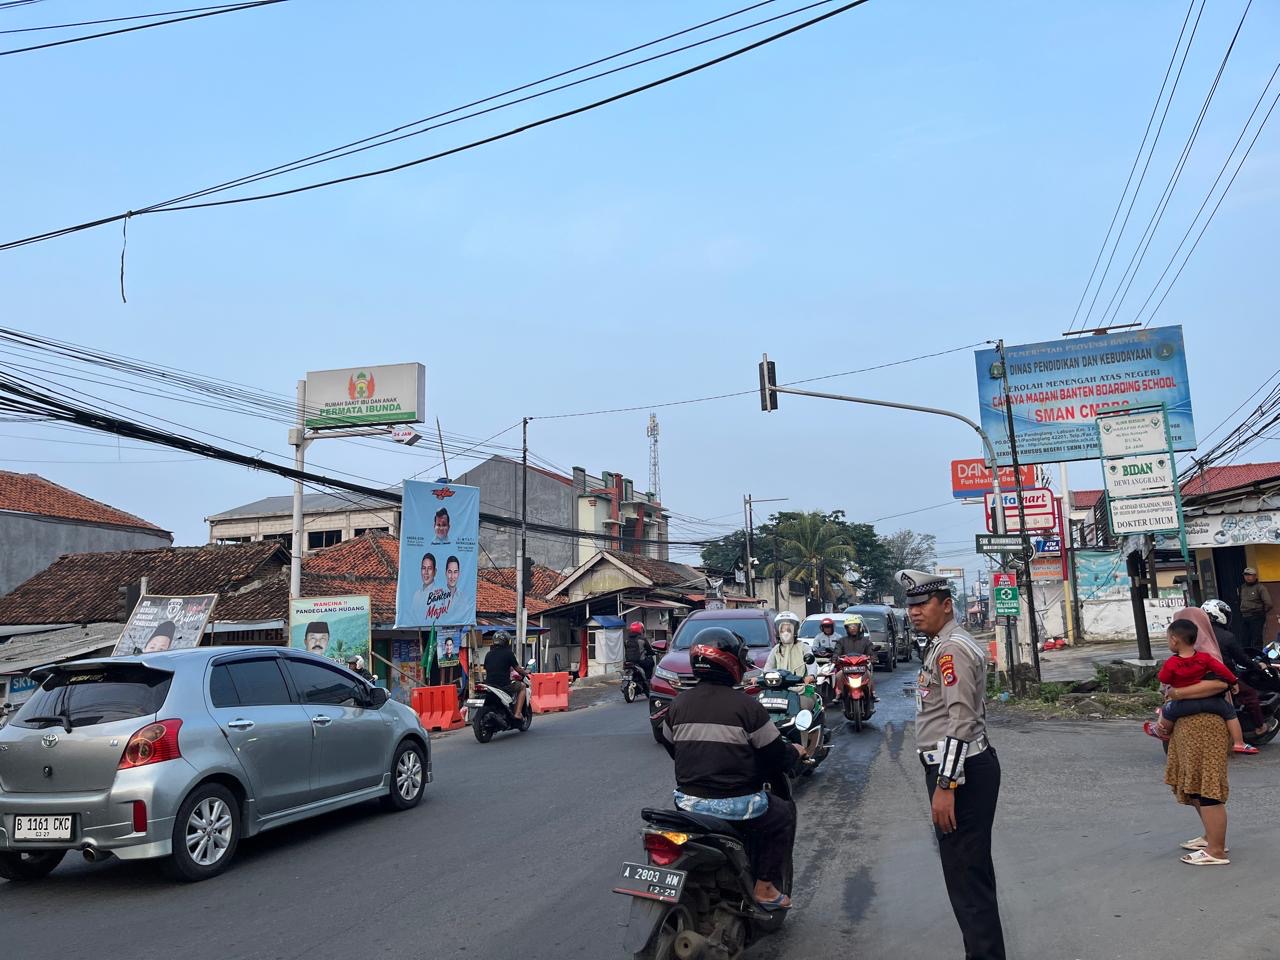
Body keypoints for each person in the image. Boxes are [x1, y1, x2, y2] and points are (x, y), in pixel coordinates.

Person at [899, 568, 1006, 960]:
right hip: (962, 769)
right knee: (969, 876)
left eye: (922, 603)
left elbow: (960, 720)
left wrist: (946, 785)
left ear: (946, 605)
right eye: (910, 605)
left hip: (962, 775)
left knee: (967, 881)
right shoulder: (942, 644)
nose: (914, 611)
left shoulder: (951, 650)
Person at [659, 626, 803, 910]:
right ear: (731, 662)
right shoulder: (748, 707)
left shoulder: (677, 705)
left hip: (687, 804)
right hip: (735, 805)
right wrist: (796, 752)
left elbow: (671, 746)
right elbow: (775, 755)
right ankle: (764, 887)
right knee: (782, 815)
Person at [1162, 609, 1233, 865]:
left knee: (1208, 789)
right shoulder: (1183, 657)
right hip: (1188, 729)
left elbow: (1220, 685)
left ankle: (1216, 850)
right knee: (1194, 787)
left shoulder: (1207, 656)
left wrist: (1178, 694)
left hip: (1205, 728)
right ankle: (1210, 837)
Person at [1143, 618, 1258, 754]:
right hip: (1211, 702)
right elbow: (1223, 670)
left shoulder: (1172, 662)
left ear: (1174, 640)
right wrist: (1233, 682)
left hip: (1184, 704)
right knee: (1230, 713)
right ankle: (1239, 743)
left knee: (1167, 711)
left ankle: (1162, 731)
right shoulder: (1205, 657)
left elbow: (1164, 678)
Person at [1203, 599, 1276, 740]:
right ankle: (1260, 727)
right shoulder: (1226, 636)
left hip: (1200, 676)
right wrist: (1257, 666)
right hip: (1223, 676)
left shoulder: (1196, 634)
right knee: (1250, 694)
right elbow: (1241, 659)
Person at [765, 612, 821, 757]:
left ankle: (804, 750)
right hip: (779, 691)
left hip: (802, 690)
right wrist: (758, 678)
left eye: (788, 629)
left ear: (795, 630)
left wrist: (811, 676)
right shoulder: (776, 649)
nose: (785, 633)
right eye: (782, 629)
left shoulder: (803, 647)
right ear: (778, 631)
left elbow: (812, 664)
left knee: (801, 711)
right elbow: (767, 669)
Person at [483, 631, 529, 720]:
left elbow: (488, 668)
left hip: (489, 685)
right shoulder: (508, 653)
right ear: (507, 641)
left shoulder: (488, 654)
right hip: (503, 685)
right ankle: (518, 713)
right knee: (523, 686)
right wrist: (525, 672)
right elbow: (518, 669)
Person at [837, 614, 877, 701]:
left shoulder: (866, 641)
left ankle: (872, 692)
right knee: (838, 675)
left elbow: (871, 651)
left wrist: (873, 657)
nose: (853, 628)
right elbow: (837, 652)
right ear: (847, 628)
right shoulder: (842, 641)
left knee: (869, 674)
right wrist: (834, 659)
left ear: (859, 627)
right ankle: (839, 693)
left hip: (861, 668)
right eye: (850, 626)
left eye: (855, 626)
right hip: (847, 668)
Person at [1237, 567, 1273, 649]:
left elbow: (1269, 604)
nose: (1248, 577)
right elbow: (1240, 601)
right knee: (1245, 640)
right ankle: (1246, 655)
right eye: (1246, 575)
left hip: (1256, 617)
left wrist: (1261, 613)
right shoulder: (1242, 587)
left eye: (1250, 575)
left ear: (1255, 576)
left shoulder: (1260, 588)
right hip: (1245, 616)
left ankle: (1257, 655)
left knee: (1256, 639)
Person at [623, 621, 654, 695]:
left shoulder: (626, 640)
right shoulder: (642, 639)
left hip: (628, 662)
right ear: (641, 629)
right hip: (640, 661)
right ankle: (647, 680)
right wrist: (652, 653)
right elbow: (649, 650)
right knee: (651, 662)